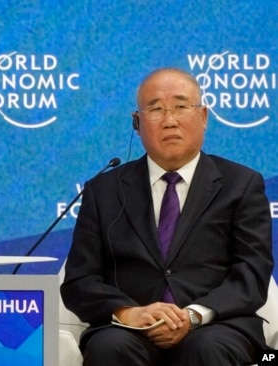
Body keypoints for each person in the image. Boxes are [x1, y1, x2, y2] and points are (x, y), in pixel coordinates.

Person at [60, 67, 274, 365]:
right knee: (110, 347)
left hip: (217, 327)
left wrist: (193, 316)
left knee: (206, 348)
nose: (170, 120)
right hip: (129, 329)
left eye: (181, 106)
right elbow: (80, 280)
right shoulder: (103, 191)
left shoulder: (241, 184)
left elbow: (251, 273)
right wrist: (130, 313)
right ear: (137, 123)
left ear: (204, 117)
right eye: (156, 109)